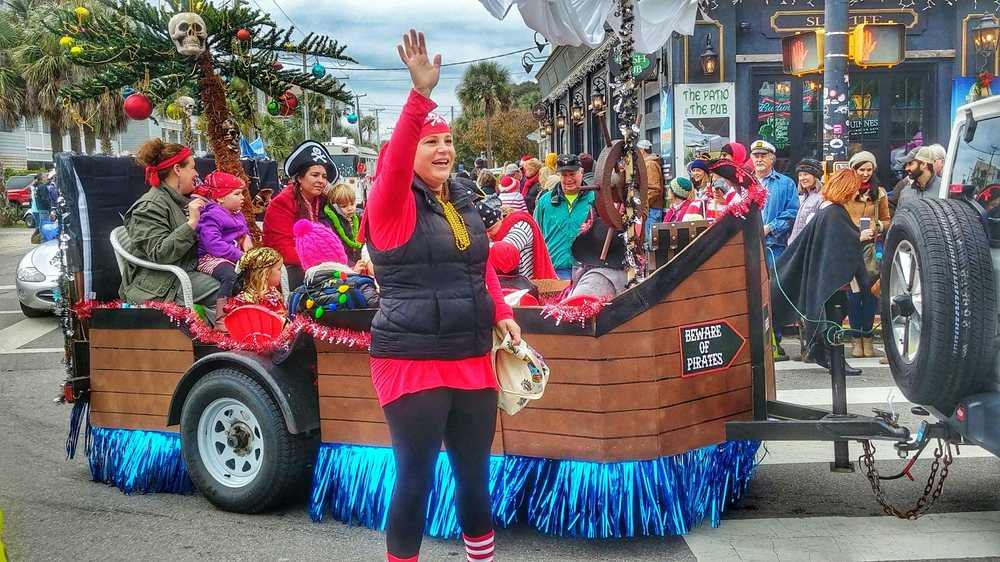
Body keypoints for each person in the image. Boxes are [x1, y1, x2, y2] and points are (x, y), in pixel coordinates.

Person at [356, 30, 519, 562]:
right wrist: (418, 99)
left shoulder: (462, 201)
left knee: (475, 478)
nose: (444, 148)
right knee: (417, 481)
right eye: (432, 141)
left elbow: (478, 266)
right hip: (411, 360)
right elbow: (398, 158)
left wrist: (501, 314)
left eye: (447, 140)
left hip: (472, 356)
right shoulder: (390, 204)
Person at [771, 168, 870, 376]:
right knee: (834, 317)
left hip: (826, 275)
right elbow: (841, 243)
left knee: (833, 315)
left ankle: (828, 356)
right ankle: (834, 360)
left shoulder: (827, 210)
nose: (856, 193)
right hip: (831, 279)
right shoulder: (834, 213)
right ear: (847, 189)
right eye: (854, 189)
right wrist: (861, 237)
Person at [120, 138, 219, 307]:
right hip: (161, 284)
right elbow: (160, 253)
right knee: (227, 288)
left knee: (239, 278)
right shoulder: (148, 207)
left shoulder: (179, 201)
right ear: (177, 169)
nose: (196, 174)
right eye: (192, 167)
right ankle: (212, 332)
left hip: (185, 271)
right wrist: (192, 223)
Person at [262, 140, 340, 289]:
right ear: (299, 178)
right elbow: (281, 248)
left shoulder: (324, 201)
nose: (321, 181)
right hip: (289, 267)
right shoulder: (282, 202)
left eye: (324, 176)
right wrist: (321, 261)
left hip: (321, 264)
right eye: (315, 175)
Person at [845, 151, 890, 359]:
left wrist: (877, 226)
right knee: (853, 296)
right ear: (853, 169)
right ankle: (856, 339)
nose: (865, 174)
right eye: (861, 169)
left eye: (869, 169)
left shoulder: (879, 192)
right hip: (850, 247)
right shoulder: (845, 190)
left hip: (871, 249)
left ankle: (868, 338)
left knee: (870, 295)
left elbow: (888, 219)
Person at [194, 171, 252, 312]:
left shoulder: (237, 214)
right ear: (220, 198)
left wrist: (246, 237)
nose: (242, 198)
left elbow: (244, 230)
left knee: (250, 274)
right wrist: (240, 255)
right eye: (237, 194)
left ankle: (245, 307)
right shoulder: (211, 216)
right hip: (210, 258)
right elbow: (213, 244)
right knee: (229, 274)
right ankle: (221, 314)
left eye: (242, 193)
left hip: (232, 255)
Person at [534, 153, 596, 280]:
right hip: (555, 270)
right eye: (564, 175)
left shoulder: (594, 198)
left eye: (572, 174)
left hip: (587, 270)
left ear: (581, 172)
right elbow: (535, 235)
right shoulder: (545, 201)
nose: (568, 179)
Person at [477, 193, 557, 281]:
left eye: (490, 230)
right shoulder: (498, 230)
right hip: (512, 285)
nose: (488, 235)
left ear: (500, 218)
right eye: (484, 232)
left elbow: (505, 252)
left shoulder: (520, 225)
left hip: (529, 285)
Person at [224, 247, 287, 316]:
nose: (281, 273)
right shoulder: (270, 300)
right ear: (266, 273)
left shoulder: (239, 300)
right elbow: (282, 324)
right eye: (279, 269)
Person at [322, 183, 364, 265]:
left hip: (358, 261)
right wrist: (350, 265)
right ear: (335, 207)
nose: (350, 208)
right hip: (344, 264)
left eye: (352, 204)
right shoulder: (330, 223)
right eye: (344, 206)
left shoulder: (358, 218)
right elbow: (336, 249)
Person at [788, 158, 824, 245]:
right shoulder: (801, 197)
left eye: (806, 174)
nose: (802, 178)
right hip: (795, 245)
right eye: (800, 175)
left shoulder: (822, 197)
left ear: (815, 177)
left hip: (808, 246)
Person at [638, 140, 665, 248]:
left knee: (650, 244)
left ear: (642, 150)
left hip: (651, 209)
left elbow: (654, 189)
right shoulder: (649, 163)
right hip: (651, 209)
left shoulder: (650, 164)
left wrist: (643, 205)